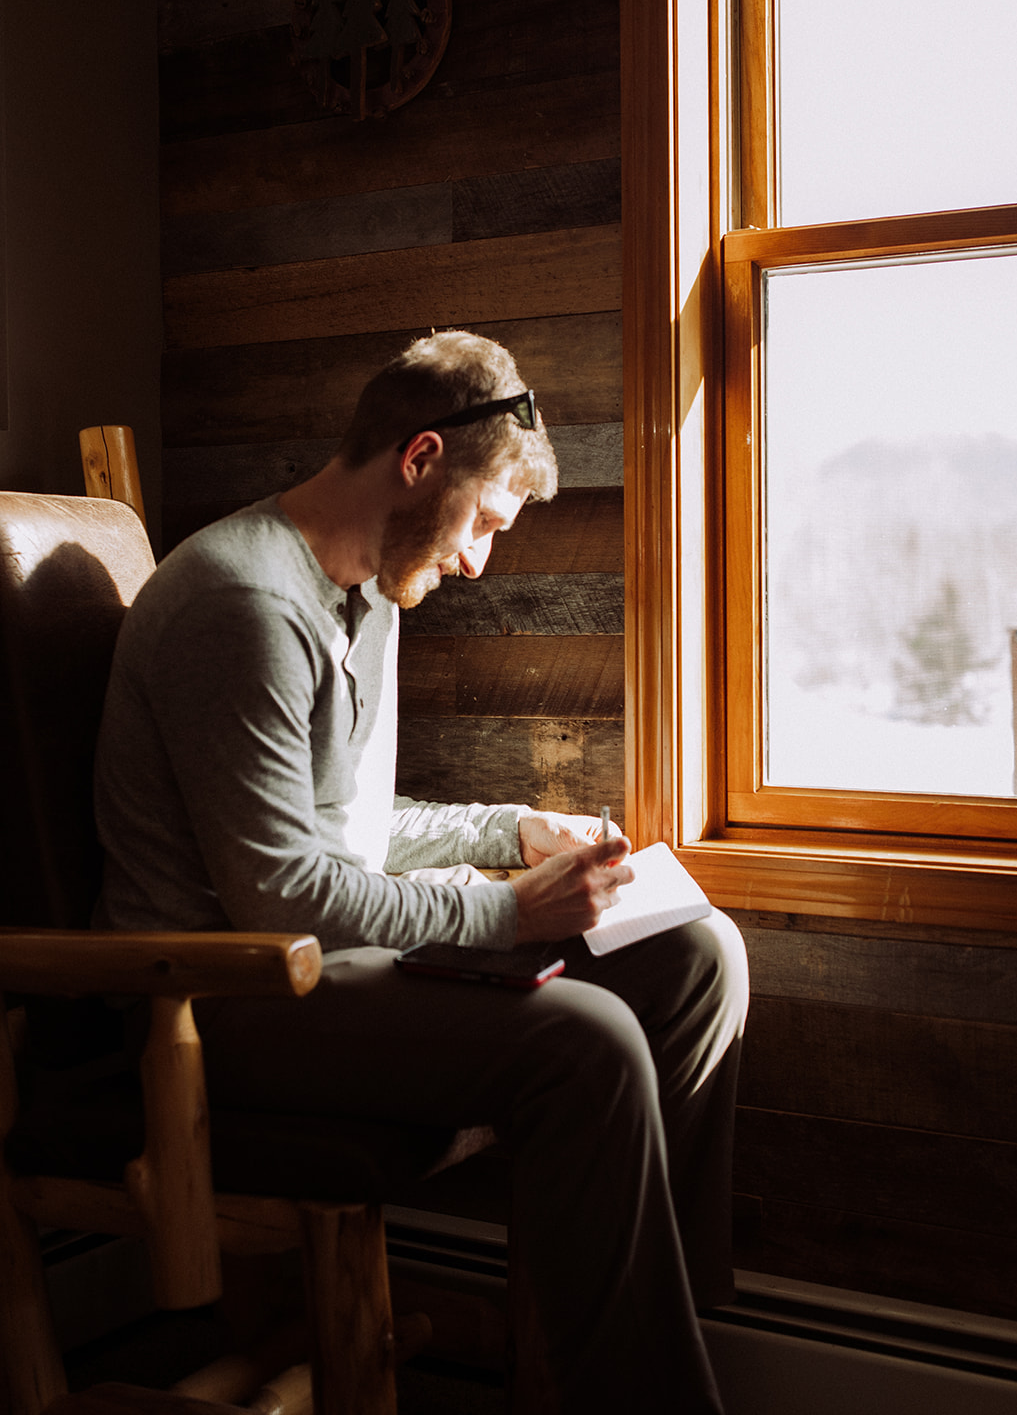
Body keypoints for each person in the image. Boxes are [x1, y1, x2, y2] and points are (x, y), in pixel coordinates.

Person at [94, 330, 749, 1415]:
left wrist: (511, 830)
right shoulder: (241, 602)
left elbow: (354, 830)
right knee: (586, 1044)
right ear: (420, 458)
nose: (479, 560)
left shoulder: (369, 590)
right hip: (225, 992)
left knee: (694, 955)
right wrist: (503, 908)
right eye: (485, 521)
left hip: (323, 959)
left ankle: (629, 1327)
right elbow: (283, 893)